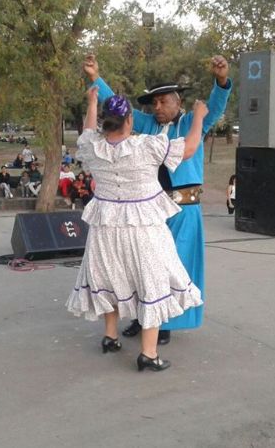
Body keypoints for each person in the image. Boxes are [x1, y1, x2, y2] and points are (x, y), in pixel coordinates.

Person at [84, 53, 232, 344]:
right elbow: (118, 105)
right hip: (149, 212)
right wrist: (94, 77)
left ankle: (164, 323)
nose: (158, 107)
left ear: (179, 102)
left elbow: (214, 107)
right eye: (154, 102)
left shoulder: (193, 124)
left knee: (174, 267)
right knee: (142, 265)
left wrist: (222, 79)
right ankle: (143, 320)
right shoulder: (148, 124)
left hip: (184, 209)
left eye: (164, 101)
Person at [66, 89, 207, 372]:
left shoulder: (92, 146)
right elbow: (189, 148)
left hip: (105, 228)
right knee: (151, 280)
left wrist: (92, 102)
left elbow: (88, 128)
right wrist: (199, 118)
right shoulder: (147, 146)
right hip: (144, 228)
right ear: (129, 120)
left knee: (110, 276)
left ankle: (110, 336)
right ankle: (149, 353)